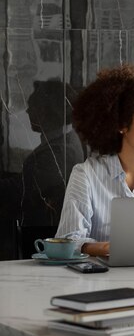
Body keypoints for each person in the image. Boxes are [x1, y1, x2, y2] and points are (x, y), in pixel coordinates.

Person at [56, 63, 134, 257]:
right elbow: (66, 240)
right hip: (99, 280)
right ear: (122, 125)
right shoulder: (86, 176)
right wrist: (102, 248)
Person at [0, 79, 84, 227]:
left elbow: (19, 192)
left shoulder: (60, 152)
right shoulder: (66, 138)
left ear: (45, 111)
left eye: (32, 106)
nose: (27, 111)